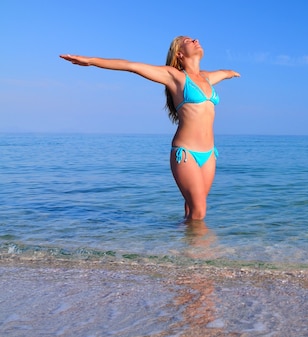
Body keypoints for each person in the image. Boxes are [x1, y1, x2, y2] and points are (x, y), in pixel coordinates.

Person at [60, 36, 240, 221]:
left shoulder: (207, 77)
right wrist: (90, 61)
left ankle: (185, 247)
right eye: (188, 40)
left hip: (209, 153)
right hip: (186, 153)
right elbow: (131, 66)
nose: (195, 40)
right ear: (179, 53)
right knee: (199, 210)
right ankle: (204, 250)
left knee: (192, 209)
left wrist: (231, 73)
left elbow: (224, 73)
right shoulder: (174, 76)